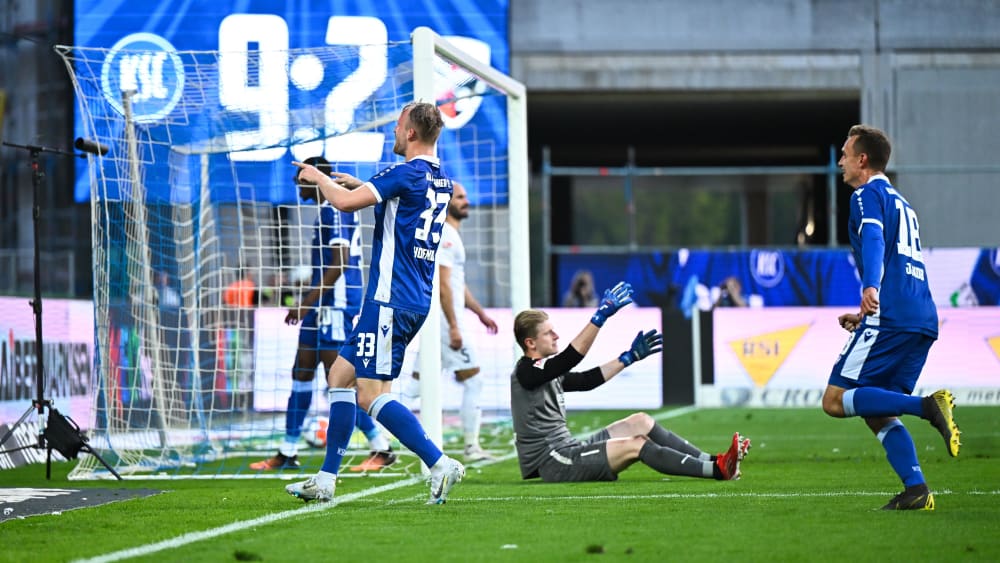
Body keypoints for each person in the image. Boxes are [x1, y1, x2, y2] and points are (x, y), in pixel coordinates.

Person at [285, 102, 465, 504]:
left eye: (399, 128)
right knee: (339, 379)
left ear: (412, 134)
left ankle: (439, 462)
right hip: (409, 296)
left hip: (389, 298)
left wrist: (319, 178)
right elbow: (399, 202)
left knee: (370, 393)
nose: (394, 135)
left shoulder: (402, 173)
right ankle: (326, 479)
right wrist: (355, 183)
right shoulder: (441, 180)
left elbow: (347, 204)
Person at [820, 124, 961, 511]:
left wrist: (870, 288)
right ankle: (916, 489)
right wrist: (866, 309)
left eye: (846, 154)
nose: (841, 162)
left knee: (834, 400)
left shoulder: (866, 195)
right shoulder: (902, 201)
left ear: (862, 160)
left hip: (892, 313)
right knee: (876, 408)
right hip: (920, 316)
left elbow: (875, 239)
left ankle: (927, 406)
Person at [511, 281, 751, 484]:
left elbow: (586, 380)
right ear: (531, 343)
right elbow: (570, 359)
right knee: (637, 445)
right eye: (548, 333)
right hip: (555, 461)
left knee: (641, 421)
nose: (556, 336)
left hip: (569, 448)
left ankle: (717, 461)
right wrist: (599, 317)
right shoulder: (525, 371)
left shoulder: (544, 370)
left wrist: (628, 358)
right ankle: (718, 470)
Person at [250, 156, 396, 472]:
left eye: (299, 177)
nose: (296, 185)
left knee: (339, 381)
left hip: (335, 305)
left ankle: (381, 447)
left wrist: (306, 301)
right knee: (301, 371)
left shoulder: (334, 209)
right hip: (322, 305)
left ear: (313, 178)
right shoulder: (327, 210)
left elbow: (341, 262)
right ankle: (287, 450)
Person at [406, 181, 499, 461]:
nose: (466, 201)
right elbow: (444, 285)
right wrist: (455, 326)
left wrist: (479, 312)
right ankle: (471, 447)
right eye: (460, 197)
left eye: (466, 196)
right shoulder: (445, 234)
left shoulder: (451, 235)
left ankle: (370, 422)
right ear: (447, 203)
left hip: (443, 320)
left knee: (414, 385)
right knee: (475, 381)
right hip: (447, 322)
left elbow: (457, 285)